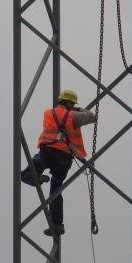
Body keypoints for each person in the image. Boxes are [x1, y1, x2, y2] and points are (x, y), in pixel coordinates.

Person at [20, 89, 96, 236]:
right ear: (69, 103)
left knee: (36, 161)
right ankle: (57, 224)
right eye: (72, 103)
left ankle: (32, 174)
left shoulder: (48, 113)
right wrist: (77, 109)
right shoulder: (73, 116)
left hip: (48, 152)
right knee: (56, 189)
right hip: (64, 158)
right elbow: (92, 117)